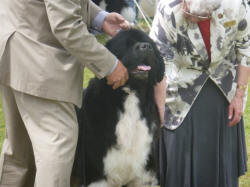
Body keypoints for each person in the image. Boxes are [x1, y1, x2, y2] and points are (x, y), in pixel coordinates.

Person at [0, 0, 129, 186]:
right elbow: (66, 25)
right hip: (38, 59)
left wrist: (99, 17)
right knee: (57, 144)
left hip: (15, 45)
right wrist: (110, 65)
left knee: (21, 155)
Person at [150, 0, 250, 186]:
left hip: (223, 90)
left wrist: (239, 95)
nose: (192, 18)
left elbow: (245, 49)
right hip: (179, 92)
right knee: (178, 168)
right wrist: (160, 108)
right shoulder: (167, 8)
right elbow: (159, 63)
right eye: (188, 12)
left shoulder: (236, 5)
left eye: (200, 16)